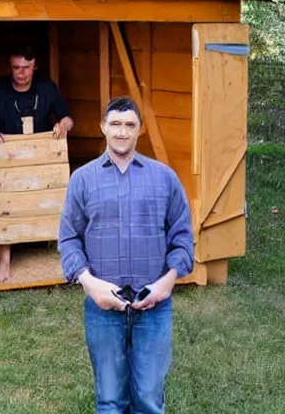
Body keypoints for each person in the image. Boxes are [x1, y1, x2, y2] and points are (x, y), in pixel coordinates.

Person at [59, 97, 194, 414]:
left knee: (148, 398)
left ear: (140, 130)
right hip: (103, 305)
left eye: (130, 125)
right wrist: (89, 284)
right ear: (102, 127)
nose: (122, 132)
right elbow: (68, 238)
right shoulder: (83, 179)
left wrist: (167, 283)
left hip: (154, 304)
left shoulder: (164, 178)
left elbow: (183, 237)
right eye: (115, 124)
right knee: (109, 399)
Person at [0, 45, 74, 283]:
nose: (21, 73)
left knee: (53, 200)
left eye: (26, 68)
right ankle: (4, 262)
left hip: (39, 162)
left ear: (34, 66)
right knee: (3, 206)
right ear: (10, 68)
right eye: (16, 68)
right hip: (5, 163)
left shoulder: (46, 87)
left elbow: (68, 118)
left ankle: (62, 255)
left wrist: (63, 126)